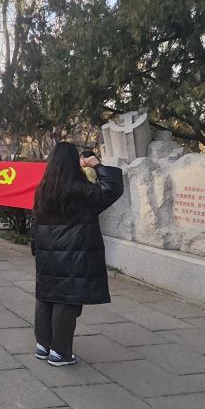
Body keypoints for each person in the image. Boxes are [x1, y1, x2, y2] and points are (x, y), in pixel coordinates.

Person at [31, 142, 123, 366]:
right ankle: (60, 352)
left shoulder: (43, 189)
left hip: (48, 252)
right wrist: (97, 165)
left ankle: (43, 345)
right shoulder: (80, 189)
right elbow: (111, 189)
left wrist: (37, 248)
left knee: (46, 297)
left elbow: (34, 221)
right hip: (73, 253)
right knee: (66, 301)